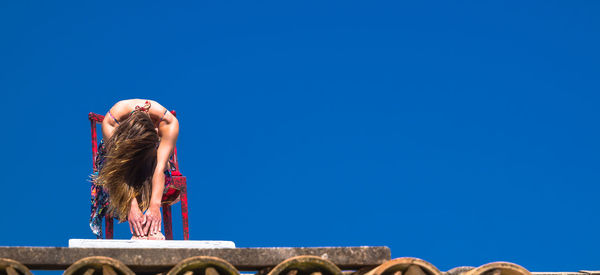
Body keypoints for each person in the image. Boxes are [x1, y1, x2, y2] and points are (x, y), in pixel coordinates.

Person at [90, 99, 180, 239]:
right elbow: (120, 170)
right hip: (118, 160)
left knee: (155, 165)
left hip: (151, 157)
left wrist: (155, 206)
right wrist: (132, 206)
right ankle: (139, 231)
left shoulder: (169, 123)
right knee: (114, 171)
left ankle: (151, 228)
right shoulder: (111, 123)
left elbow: (159, 169)